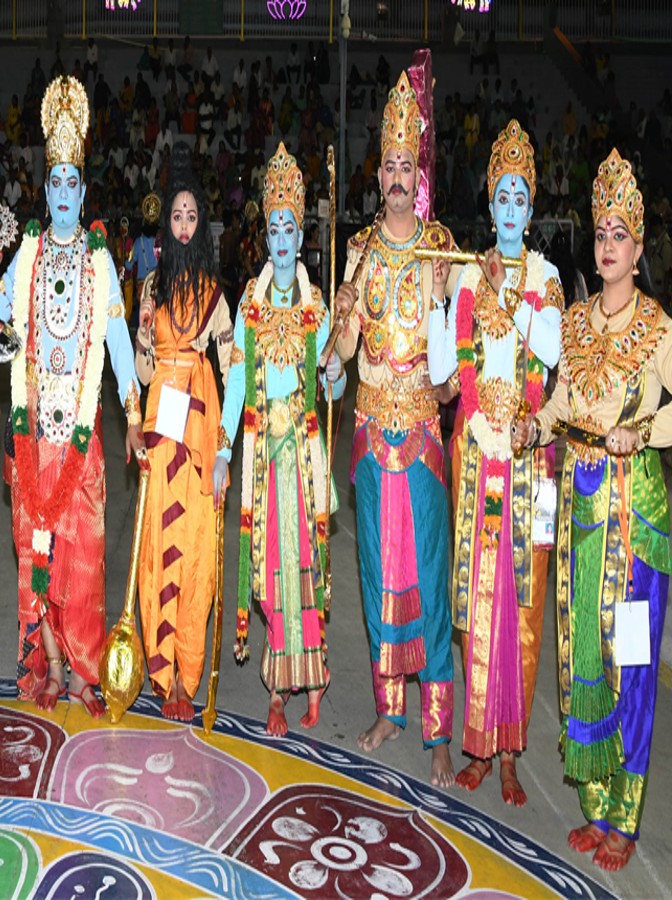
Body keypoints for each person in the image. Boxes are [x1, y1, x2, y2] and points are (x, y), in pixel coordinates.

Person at [515, 149, 670, 872]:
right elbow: (557, 409)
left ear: (640, 249)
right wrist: (531, 427)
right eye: (600, 234)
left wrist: (643, 432)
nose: (607, 246)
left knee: (632, 661)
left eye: (619, 235)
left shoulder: (660, 329)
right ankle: (600, 802)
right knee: (584, 658)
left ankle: (629, 816)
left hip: (636, 526)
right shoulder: (575, 325)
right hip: (581, 518)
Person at [0, 77, 144, 718]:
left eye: (75, 184)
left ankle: (83, 668)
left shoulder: (101, 260)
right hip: (32, 434)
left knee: (84, 557)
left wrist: (132, 415)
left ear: (84, 190)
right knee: (36, 556)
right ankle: (49, 664)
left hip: (79, 432)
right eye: (56, 184)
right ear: (45, 190)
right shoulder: (28, 249)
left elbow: (120, 341)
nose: (66, 195)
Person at [428, 120, 564, 806]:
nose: (510, 208)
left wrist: (506, 292)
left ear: (531, 210)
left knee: (523, 607)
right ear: (490, 207)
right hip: (479, 450)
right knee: (477, 602)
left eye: (520, 197)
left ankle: (512, 752)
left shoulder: (546, 277)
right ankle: (478, 745)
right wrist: (445, 295)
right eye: (501, 197)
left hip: (530, 460)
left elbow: (552, 348)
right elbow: (449, 365)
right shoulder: (467, 277)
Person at [332, 71, 458, 787]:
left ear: (420, 174)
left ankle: (439, 732)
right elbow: (345, 358)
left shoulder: (440, 248)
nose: (399, 177)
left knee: (429, 581)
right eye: (390, 166)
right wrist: (343, 313)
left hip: (422, 440)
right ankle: (390, 709)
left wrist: (447, 305)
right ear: (378, 174)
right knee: (378, 577)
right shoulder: (359, 251)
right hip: (370, 436)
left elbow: (446, 362)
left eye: (409, 165)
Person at [215, 144, 345, 736]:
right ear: (265, 237)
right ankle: (276, 689)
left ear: (302, 233)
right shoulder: (251, 304)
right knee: (270, 570)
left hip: (307, 463)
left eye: (292, 226)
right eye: (274, 228)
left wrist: (337, 373)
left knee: (307, 572)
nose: (284, 237)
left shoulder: (318, 306)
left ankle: (313, 679)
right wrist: (222, 449)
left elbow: (331, 381)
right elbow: (239, 383)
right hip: (267, 460)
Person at [134, 144, 233, 722]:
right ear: (166, 225)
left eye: (193, 216)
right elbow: (146, 371)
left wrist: (223, 451)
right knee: (156, 552)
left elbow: (233, 365)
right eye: (177, 215)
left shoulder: (215, 294)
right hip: (158, 429)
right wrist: (146, 335)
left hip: (197, 430)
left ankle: (185, 679)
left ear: (202, 226)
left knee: (194, 551)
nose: (185, 223)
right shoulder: (150, 289)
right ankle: (158, 665)